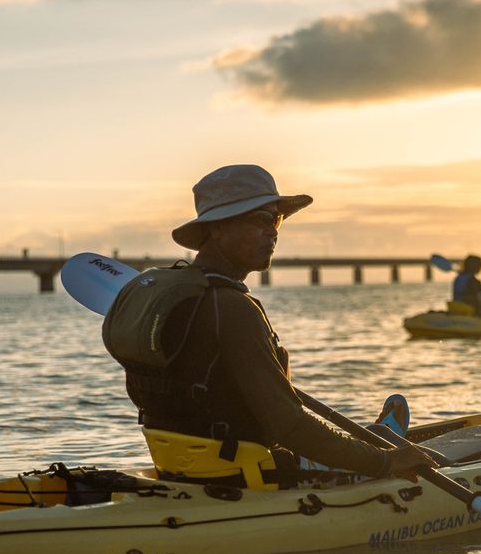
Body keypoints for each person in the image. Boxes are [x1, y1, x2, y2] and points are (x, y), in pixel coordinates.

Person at [101, 164, 435, 484]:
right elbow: (289, 427)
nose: (272, 232)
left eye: (276, 221)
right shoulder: (231, 307)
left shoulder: (164, 294)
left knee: (374, 437)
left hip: (182, 467)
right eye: (260, 220)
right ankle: (414, 450)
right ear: (216, 228)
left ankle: (381, 436)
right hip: (252, 475)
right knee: (409, 455)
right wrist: (386, 462)